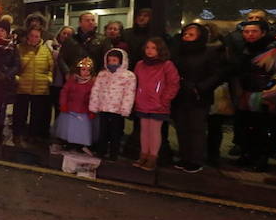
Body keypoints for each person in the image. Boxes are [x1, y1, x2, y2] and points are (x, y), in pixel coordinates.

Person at [171, 24, 224, 173]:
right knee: (181, 128)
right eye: (185, 34)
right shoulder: (179, 51)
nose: (186, 37)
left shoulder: (209, 52)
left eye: (191, 34)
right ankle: (184, 156)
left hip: (199, 96)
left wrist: (200, 87)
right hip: (180, 94)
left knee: (196, 128)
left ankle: (196, 159)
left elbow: (217, 74)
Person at [233, 20, 276, 171]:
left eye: (254, 31)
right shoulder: (244, 49)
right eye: (246, 32)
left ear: (263, 32)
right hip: (247, 91)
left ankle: (261, 157)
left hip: (263, 93)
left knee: (263, 126)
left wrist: (270, 92)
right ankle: (248, 154)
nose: (250, 35)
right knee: (246, 124)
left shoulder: (272, 50)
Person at [132, 38, 180, 171]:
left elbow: (173, 84)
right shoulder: (140, 64)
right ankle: (143, 155)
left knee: (154, 131)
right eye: (147, 47)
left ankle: (152, 157)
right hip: (142, 102)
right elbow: (135, 82)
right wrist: (136, 97)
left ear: (160, 49)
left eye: (153, 48)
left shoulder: (167, 65)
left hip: (158, 104)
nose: (149, 51)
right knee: (144, 130)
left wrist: (164, 100)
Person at [89, 49, 136, 162]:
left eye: (114, 60)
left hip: (118, 110)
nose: (111, 63)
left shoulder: (129, 76)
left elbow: (129, 93)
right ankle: (101, 151)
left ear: (121, 60)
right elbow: (96, 90)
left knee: (116, 132)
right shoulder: (103, 74)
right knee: (103, 130)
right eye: (109, 60)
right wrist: (94, 105)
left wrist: (125, 109)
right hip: (104, 107)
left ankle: (113, 154)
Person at [12, 28, 54, 143]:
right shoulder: (20, 48)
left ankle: (32, 135)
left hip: (40, 86)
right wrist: (16, 78)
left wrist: (48, 78)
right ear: (28, 36)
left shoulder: (45, 50)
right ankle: (18, 134)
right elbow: (14, 64)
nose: (34, 38)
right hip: (22, 85)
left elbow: (51, 67)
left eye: (37, 36)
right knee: (20, 113)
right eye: (32, 36)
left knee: (36, 114)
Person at [54, 57, 98, 151]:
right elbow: (64, 92)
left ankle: (79, 144)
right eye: (83, 69)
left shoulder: (92, 84)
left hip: (83, 110)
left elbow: (93, 98)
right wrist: (63, 104)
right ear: (78, 70)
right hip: (69, 109)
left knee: (81, 129)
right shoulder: (72, 81)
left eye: (88, 70)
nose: (86, 72)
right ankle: (68, 142)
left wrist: (92, 110)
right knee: (69, 128)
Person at [59, 12, 105, 79]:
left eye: (93, 20)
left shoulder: (103, 39)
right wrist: (67, 72)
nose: (91, 22)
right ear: (80, 23)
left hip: (95, 78)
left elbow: (105, 60)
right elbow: (61, 58)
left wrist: (99, 75)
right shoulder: (70, 40)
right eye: (87, 20)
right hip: (74, 77)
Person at [48, 26, 74, 121]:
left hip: (63, 83)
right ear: (60, 33)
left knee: (60, 109)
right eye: (64, 33)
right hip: (50, 81)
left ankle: (57, 131)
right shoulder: (50, 44)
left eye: (69, 34)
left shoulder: (73, 48)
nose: (66, 36)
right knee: (46, 109)